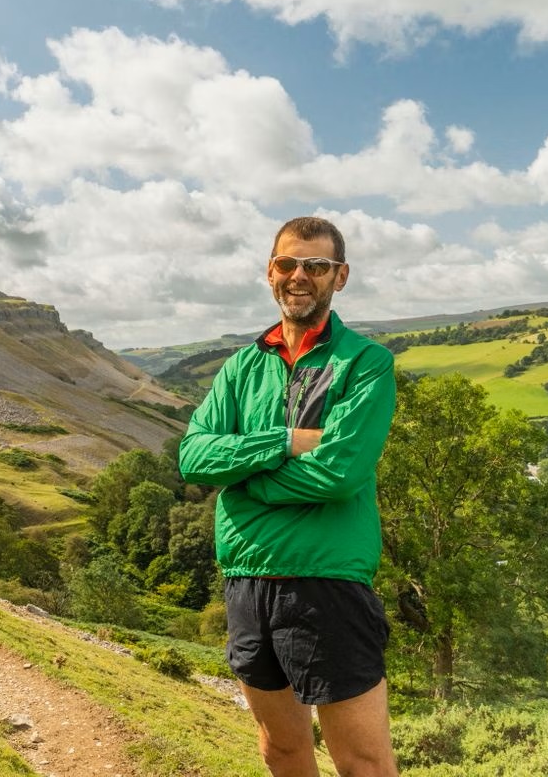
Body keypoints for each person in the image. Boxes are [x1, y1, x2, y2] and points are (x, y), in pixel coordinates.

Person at [178, 216, 398, 776]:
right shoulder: (240, 366)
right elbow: (194, 458)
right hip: (247, 581)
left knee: (364, 762)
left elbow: (340, 474)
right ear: (270, 272)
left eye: (316, 266)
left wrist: (245, 482)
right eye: (287, 264)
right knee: (280, 748)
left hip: (327, 581)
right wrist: (285, 441)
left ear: (339, 277)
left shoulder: (366, 364)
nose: (299, 276)